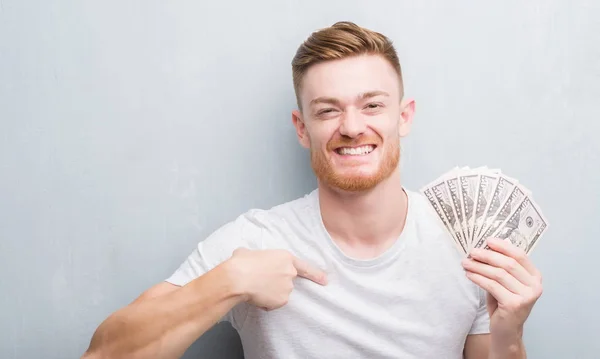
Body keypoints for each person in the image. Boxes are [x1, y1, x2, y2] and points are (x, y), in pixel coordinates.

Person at [82, 21, 543, 359]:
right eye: (328, 111)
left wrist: (510, 335)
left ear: (403, 117)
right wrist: (229, 283)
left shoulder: (466, 248)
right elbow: (103, 355)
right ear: (302, 129)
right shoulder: (256, 241)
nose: (352, 127)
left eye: (372, 105)